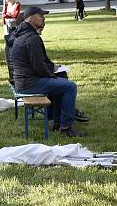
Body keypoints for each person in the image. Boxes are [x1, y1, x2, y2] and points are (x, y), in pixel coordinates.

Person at [10, 7, 86, 137]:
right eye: (41, 16)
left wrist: (52, 70)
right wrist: (52, 76)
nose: (44, 18)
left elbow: (39, 61)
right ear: (31, 18)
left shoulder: (23, 34)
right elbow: (38, 65)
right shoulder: (32, 38)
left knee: (61, 82)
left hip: (23, 81)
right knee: (69, 86)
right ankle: (66, 127)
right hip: (29, 84)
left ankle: (57, 122)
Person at [2, 0, 21, 85]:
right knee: (8, 50)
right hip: (7, 28)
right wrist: (4, 20)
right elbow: (3, 15)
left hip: (15, 28)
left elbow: (16, 15)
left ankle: (15, 75)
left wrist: (7, 16)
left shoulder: (17, 4)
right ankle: (11, 76)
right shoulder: (6, 5)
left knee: (14, 49)